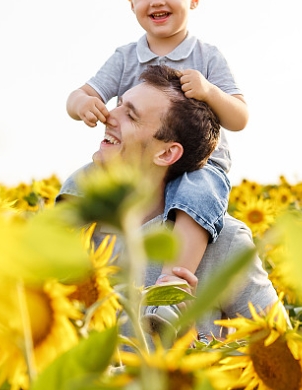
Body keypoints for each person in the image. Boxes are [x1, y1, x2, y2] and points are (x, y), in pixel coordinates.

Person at [65, 0, 249, 329]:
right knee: (80, 180)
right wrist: (82, 105)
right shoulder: (126, 57)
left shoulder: (206, 56)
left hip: (200, 163)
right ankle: (57, 251)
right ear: (130, 3)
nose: (157, 0)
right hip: (136, 164)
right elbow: (79, 94)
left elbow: (239, 118)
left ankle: (172, 289)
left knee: (196, 204)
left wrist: (209, 91)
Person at [58, 64, 277, 340]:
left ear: (166, 153)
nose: (108, 116)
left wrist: (190, 341)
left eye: (131, 115)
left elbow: (281, 348)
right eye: (119, 105)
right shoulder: (78, 232)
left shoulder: (226, 243)